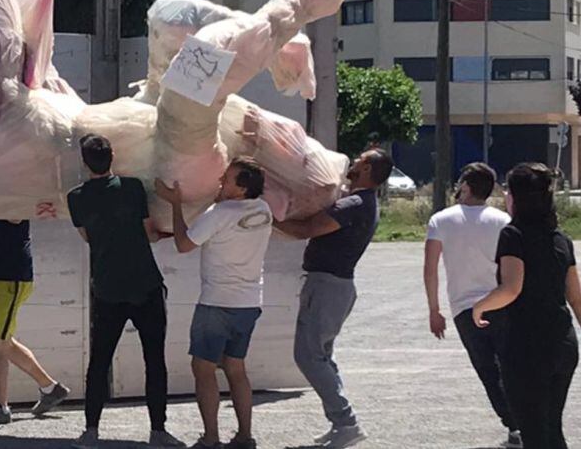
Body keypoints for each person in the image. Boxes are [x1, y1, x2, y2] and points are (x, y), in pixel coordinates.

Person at [67, 134, 185, 449]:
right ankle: (158, 431)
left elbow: (87, 237)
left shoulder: (75, 197)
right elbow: (149, 233)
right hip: (145, 285)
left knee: (100, 361)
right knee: (154, 359)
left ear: (84, 162)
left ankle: (91, 431)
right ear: (113, 157)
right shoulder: (132, 188)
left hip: (107, 288)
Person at [272, 148, 393, 449]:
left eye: (359, 160)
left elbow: (306, 230)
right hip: (333, 286)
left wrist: (267, 216)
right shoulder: (360, 202)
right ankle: (341, 424)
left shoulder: (353, 205)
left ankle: (346, 422)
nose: (353, 162)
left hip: (328, 287)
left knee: (308, 356)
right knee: (322, 356)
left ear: (366, 170)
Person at [154, 157, 273, 449]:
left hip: (217, 303)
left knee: (203, 368)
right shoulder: (263, 210)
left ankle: (211, 438)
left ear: (242, 188)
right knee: (236, 368)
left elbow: (184, 245)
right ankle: (245, 436)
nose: (221, 181)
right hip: (249, 304)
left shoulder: (220, 213)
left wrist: (176, 204)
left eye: (228, 179)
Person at [473, 162, 581, 448]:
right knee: (551, 428)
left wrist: (480, 306)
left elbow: (511, 288)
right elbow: (575, 297)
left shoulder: (513, 235)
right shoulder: (561, 239)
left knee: (533, 431)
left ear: (516, 197)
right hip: (563, 344)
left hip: (528, 345)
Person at [422, 163, 520, 448]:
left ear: (465, 186)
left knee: (488, 371)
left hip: (464, 308)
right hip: (502, 300)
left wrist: (433, 309)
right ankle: (524, 421)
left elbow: (430, 269)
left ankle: (514, 426)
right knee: (511, 366)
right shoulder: (503, 220)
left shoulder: (441, 220)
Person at [0, 219, 71, 426]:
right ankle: (49, 388)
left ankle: (0, 406)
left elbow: (15, 214)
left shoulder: (10, 192)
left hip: (6, 276)